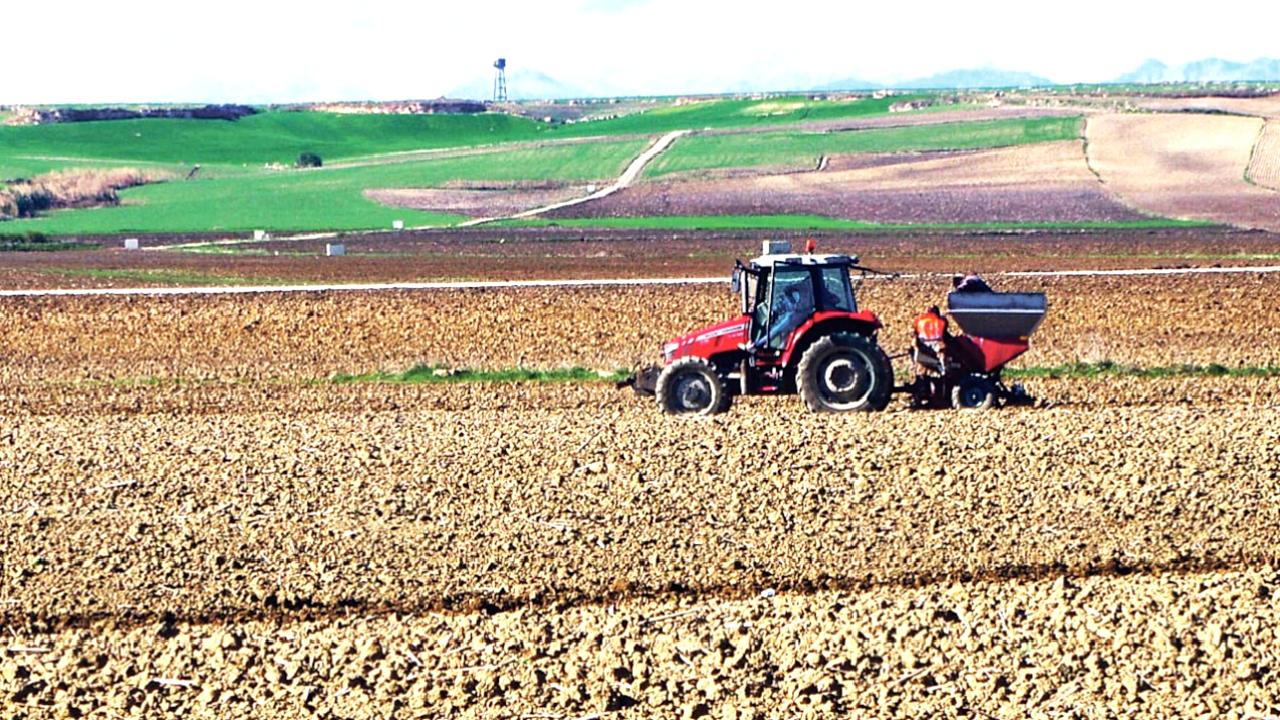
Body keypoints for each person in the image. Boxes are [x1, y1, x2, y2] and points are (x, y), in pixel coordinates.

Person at [741, 283, 810, 352]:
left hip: (801, 312)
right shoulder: (804, 285)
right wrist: (789, 299)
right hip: (795, 308)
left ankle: (756, 345)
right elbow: (787, 289)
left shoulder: (794, 315)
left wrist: (793, 305)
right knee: (783, 333)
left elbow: (777, 330)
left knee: (779, 329)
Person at [912, 305, 949, 374]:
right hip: (934, 344)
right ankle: (943, 367)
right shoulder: (941, 321)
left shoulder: (919, 321)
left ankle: (918, 367)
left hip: (923, 345)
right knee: (942, 349)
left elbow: (915, 334)